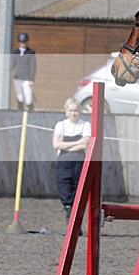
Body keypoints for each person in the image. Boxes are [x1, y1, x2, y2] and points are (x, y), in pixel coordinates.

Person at [53, 98, 91, 232]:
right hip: (63, 163)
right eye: (70, 110)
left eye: (75, 110)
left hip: (79, 162)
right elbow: (56, 144)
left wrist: (66, 145)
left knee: (77, 193)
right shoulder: (61, 125)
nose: (73, 113)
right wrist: (76, 143)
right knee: (64, 191)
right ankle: (71, 224)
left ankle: (74, 226)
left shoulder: (85, 125)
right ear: (66, 111)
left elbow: (85, 144)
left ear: (79, 111)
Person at [12, 32, 37, 111]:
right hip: (18, 77)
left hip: (27, 78)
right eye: (21, 42)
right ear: (19, 42)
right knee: (20, 97)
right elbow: (12, 64)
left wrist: (31, 79)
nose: (23, 43)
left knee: (28, 98)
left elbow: (33, 66)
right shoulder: (15, 52)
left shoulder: (30, 52)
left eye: (25, 42)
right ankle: (20, 112)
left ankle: (31, 112)